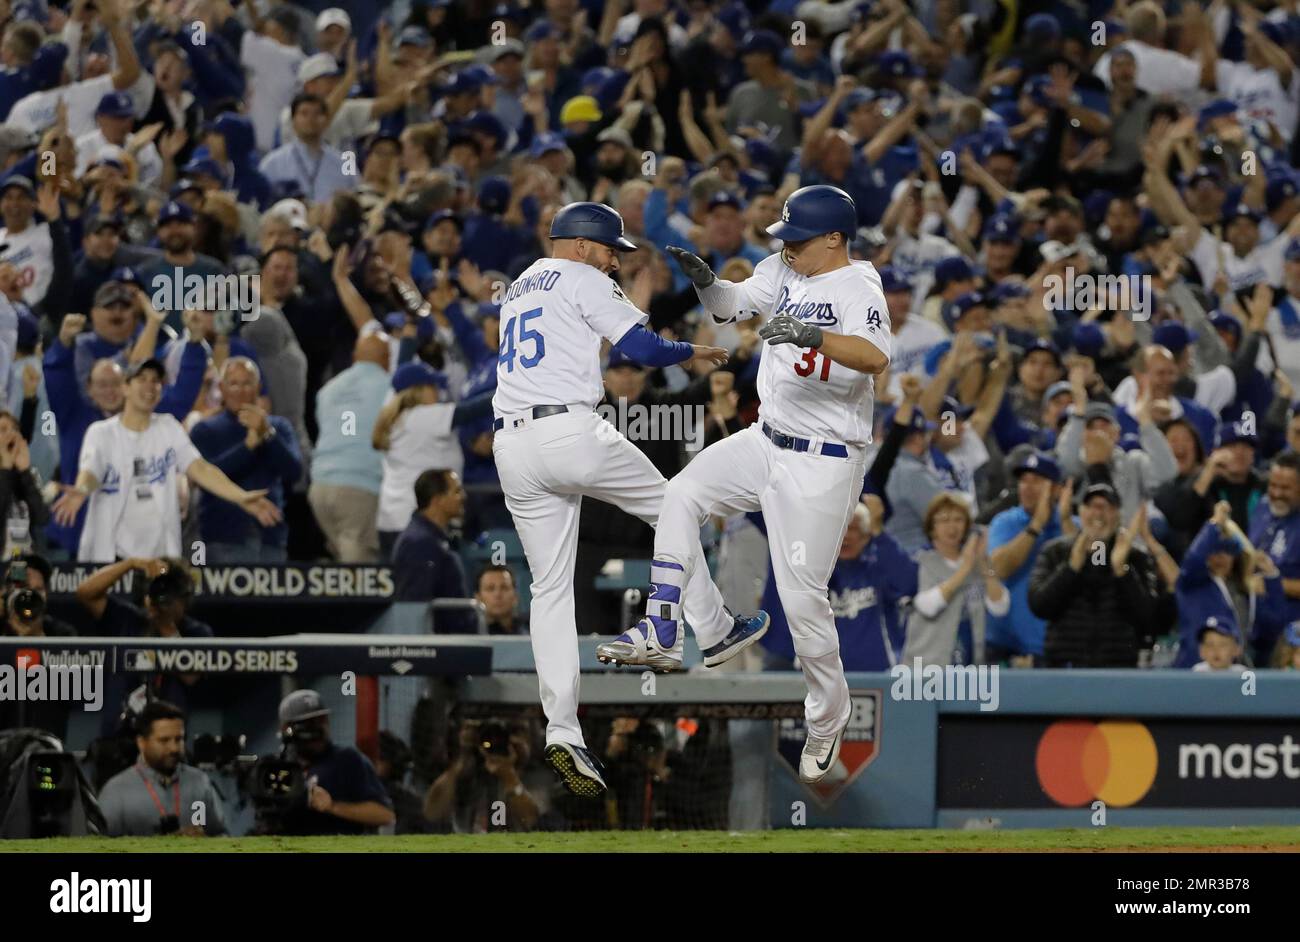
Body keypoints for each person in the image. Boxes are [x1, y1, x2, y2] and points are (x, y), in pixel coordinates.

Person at [597, 185, 891, 786]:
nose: (787, 248)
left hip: (825, 461)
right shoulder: (779, 267)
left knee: (803, 600)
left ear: (834, 239)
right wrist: (708, 284)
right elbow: (731, 305)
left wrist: (810, 336)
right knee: (678, 494)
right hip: (766, 438)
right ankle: (685, 627)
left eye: (799, 240)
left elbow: (874, 356)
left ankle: (828, 716)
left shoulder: (859, 285)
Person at [489, 200, 728, 798]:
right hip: (571, 431)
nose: (613, 261)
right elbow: (643, 351)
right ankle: (704, 627)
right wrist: (689, 352)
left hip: (512, 447)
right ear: (577, 244)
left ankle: (563, 729)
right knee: (676, 505)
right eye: (607, 249)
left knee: (548, 591)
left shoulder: (518, 286)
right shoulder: (579, 274)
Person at [50, 358, 282, 563]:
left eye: (156, 380)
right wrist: (81, 490)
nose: (150, 386)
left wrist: (240, 497)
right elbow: (91, 472)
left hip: (158, 556)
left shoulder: (168, 427)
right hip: (111, 556)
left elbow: (200, 468)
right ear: (126, 387)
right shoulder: (101, 432)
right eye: (142, 379)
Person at [761, 496, 916, 671]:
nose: (846, 536)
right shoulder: (813, 572)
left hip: (877, 676)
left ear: (866, 537)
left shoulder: (879, 568)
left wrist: (879, 531)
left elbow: (909, 584)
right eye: (839, 528)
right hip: (823, 679)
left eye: (854, 529)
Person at [1028, 483, 1161, 668]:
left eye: (1106, 507)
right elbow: (1039, 605)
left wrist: (1122, 570)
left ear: (1118, 514)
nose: (1098, 513)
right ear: (1080, 512)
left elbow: (1148, 618)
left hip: (1118, 672)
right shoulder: (1056, 552)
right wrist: (1071, 568)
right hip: (1064, 669)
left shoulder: (1136, 557)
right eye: (1091, 506)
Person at [373, 361, 492, 558]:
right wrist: (509, 391)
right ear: (418, 391)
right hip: (419, 521)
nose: (438, 392)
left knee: (403, 585)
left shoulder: (394, 416)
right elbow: (472, 410)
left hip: (390, 520)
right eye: (432, 387)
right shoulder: (423, 416)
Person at [190, 358, 303, 562]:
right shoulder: (204, 430)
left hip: (271, 536)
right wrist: (247, 447)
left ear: (258, 387)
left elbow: (294, 473)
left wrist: (267, 434)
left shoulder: (279, 427)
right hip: (223, 538)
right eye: (233, 383)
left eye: (247, 383)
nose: (240, 390)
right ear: (222, 389)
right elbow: (205, 478)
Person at [986, 452, 1075, 665]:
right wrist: (1035, 526)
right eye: (1023, 480)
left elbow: (1083, 572)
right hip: (1005, 646)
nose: (1027, 487)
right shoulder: (1005, 522)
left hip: (1054, 648)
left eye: (1037, 481)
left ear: (1056, 489)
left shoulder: (1073, 526)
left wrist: (1064, 520)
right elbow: (998, 569)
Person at [309, 333, 391, 562]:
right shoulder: (389, 387)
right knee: (358, 573)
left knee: (344, 561)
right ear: (387, 359)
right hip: (359, 487)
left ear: (355, 356)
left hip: (320, 486)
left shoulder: (328, 389)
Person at [903, 493, 1008, 667]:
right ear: (931, 527)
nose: (952, 527)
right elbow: (928, 607)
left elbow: (1000, 607)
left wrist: (982, 562)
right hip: (924, 670)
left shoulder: (977, 565)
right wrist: (965, 568)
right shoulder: (918, 562)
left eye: (958, 519)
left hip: (971, 668)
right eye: (944, 520)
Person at [97, 700, 227, 837]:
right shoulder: (116, 791)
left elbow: (222, 835)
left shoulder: (200, 782)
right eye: (164, 740)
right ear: (141, 743)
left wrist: (205, 842)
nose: (174, 748)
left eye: (179, 739)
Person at [275, 689, 395, 836]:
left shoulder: (347, 760)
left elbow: (384, 815)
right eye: (308, 724)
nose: (317, 729)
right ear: (287, 729)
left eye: (321, 720)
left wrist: (332, 806)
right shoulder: (277, 767)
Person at [423, 718, 545, 833]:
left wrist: (509, 776)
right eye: (490, 735)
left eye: (513, 731)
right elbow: (432, 813)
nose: (499, 740)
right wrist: (462, 759)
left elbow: (536, 824)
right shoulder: (467, 774)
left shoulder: (541, 777)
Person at [392, 469, 475, 632]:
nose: (464, 496)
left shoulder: (434, 539)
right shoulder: (418, 543)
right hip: (439, 650)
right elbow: (415, 609)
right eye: (457, 491)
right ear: (438, 500)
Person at [1248, 452, 1300, 664]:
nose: (1276, 493)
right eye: (1273, 485)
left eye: (1285, 488)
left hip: (1291, 641)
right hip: (1257, 632)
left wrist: (1272, 584)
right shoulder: (1262, 507)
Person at [0, 554, 75, 638]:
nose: (30, 596)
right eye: (24, 588)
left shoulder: (61, 633)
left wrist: (37, 638)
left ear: (46, 595)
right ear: (6, 593)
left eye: (38, 590)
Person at [475, 564, 528, 635]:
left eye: (504, 587)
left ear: (515, 596)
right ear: (478, 598)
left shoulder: (532, 629)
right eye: (490, 588)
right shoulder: (467, 634)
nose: (498, 594)